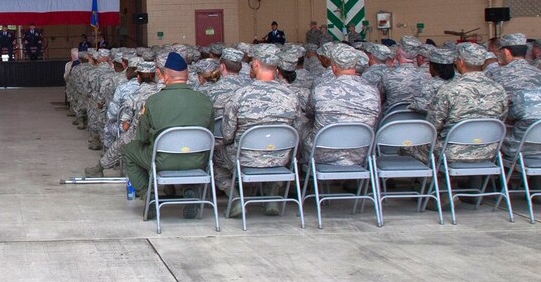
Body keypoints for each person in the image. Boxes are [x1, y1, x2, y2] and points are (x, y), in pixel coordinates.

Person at [123, 51, 216, 212]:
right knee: (189, 151)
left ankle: (148, 195)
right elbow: (210, 134)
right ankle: (191, 191)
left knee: (129, 150)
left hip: (162, 160)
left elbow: (142, 137)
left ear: (165, 76)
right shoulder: (205, 101)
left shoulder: (153, 102)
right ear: (187, 76)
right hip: (197, 161)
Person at [215, 46, 304, 197]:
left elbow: (227, 135)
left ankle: (234, 196)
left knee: (215, 155)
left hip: (244, 158)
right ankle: (272, 191)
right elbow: (297, 132)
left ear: (255, 64)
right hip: (280, 157)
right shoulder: (291, 96)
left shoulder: (240, 95)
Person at [426, 41, 509, 164]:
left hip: (451, 152)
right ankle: (476, 182)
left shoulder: (449, 89)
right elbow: (501, 120)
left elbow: (433, 126)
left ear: (460, 62)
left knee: (410, 146)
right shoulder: (498, 89)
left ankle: (437, 182)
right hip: (489, 151)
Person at [309, 43, 382, 162]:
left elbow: (310, 113)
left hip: (323, 154)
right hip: (360, 153)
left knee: (302, 123)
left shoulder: (320, 90)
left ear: (333, 67)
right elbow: (377, 114)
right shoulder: (373, 91)